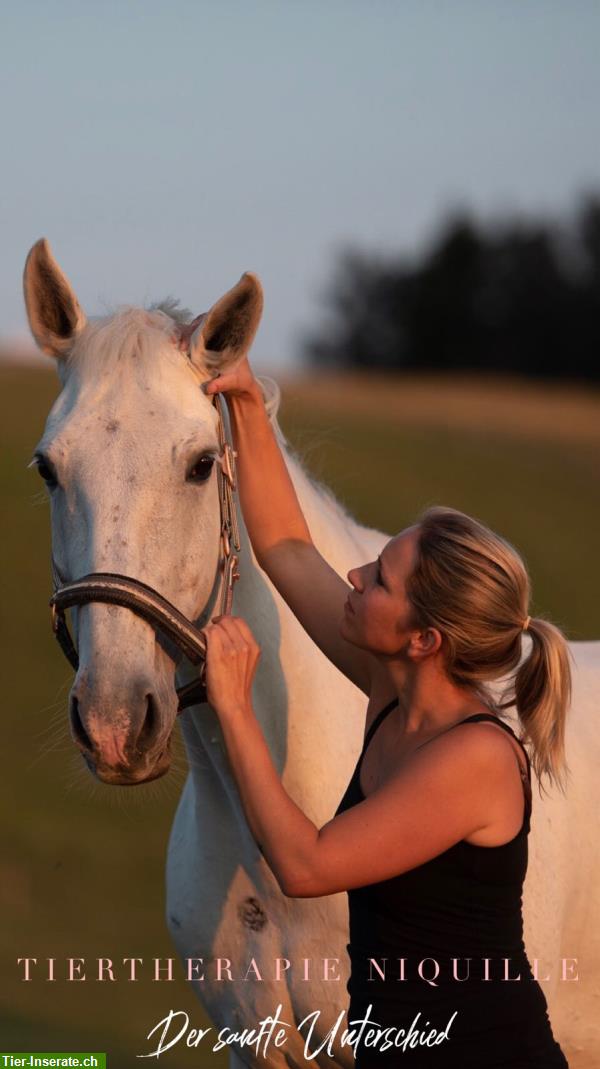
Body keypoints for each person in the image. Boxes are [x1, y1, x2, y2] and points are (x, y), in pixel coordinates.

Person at [199, 353, 571, 1068]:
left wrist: (236, 707)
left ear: (425, 638)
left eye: (381, 580)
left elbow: (307, 865)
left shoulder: (477, 758)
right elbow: (284, 544)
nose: (357, 573)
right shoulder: (392, 689)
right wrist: (244, 400)